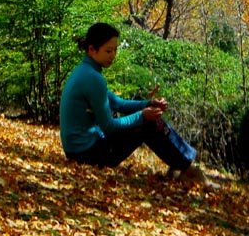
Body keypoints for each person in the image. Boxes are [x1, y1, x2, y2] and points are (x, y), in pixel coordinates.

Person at [59, 22, 216, 189]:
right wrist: (142, 115)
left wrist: (148, 103)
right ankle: (188, 168)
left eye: (115, 50)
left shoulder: (85, 71)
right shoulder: (93, 79)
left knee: (148, 120)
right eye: (108, 51)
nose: (113, 55)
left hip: (79, 150)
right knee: (149, 123)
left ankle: (181, 165)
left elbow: (118, 104)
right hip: (87, 154)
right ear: (91, 50)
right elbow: (108, 126)